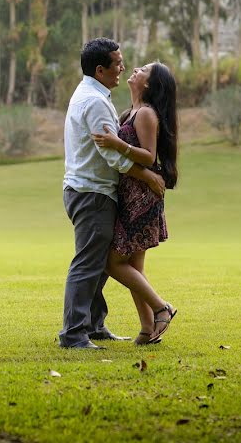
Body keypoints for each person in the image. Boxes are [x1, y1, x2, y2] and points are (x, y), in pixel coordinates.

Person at [59, 38, 166, 350]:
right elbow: (112, 157)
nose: (123, 68)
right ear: (100, 69)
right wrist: (146, 175)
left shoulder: (91, 95)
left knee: (98, 262)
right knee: (88, 264)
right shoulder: (95, 102)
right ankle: (74, 335)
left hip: (90, 190)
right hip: (92, 193)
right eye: (117, 63)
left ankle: (93, 325)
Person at [92, 62, 179, 345]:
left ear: (149, 85)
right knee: (134, 267)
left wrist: (118, 144)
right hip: (132, 195)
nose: (136, 69)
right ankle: (147, 329)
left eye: (144, 69)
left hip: (141, 199)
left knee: (112, 262)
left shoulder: (145, 114)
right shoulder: (131, 112)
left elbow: (149, 157)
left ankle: (161, 307)